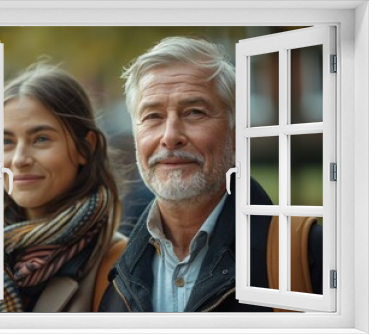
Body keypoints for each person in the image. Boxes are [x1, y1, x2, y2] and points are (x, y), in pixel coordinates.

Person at [98, 37, 322, 312]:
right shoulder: (111, 273)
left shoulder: (308, 255)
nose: (170, 137)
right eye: (153, 116)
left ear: (237, 132)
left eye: (194, 112)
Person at [0, 63, 124, 312]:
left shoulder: (115, 261)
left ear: (84, 148)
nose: (19, 159)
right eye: (6, 141)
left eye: (41, 139)